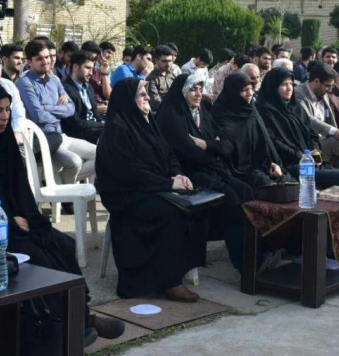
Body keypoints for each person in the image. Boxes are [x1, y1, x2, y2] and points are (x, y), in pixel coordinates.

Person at [0, 82, 125, 348]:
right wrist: (9, 221)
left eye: (7, 110)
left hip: (11, 222)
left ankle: (79, 317)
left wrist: (25, 217)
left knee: (61, 244)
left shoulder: (3, 141)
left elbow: (19, 189)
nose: (4, 117)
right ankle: (68, 323)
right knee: (39, 255)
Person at [95, 78, 207, 302]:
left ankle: (175, 271)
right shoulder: (117, 129)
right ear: (129, 100)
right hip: (128, 195)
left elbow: (169, 155)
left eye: (146, 93)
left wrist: (178, 174)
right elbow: (129, 172)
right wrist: (167, 184)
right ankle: (168, 282)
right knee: (171, 212)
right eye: (141, 94)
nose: (147, 97)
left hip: (152, 187)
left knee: (197, 207)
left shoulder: (147, 122)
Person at [156, 70, 251, 270]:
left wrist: (206, 144)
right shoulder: (172, 116)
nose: (199, 94)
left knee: (247, 191)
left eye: (200, 89)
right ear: (181, 92)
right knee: (233, 201)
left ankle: (256, 252)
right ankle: (246, 264)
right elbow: (190, 153)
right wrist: (216, 147)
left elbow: (229, 144)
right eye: (193, 90)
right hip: (189, 174)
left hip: (212, 169)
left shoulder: (201, 113)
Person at [256, 67, 339, 190]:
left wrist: (316, 151)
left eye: (291, 84)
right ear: (273, 86)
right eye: (284, 84)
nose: (289, 88)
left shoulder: (295, 107)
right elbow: (274, 143)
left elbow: (311, 133)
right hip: (292, 166)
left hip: (314, 161)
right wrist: (303, 156)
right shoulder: (265, 111)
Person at [17, 40, 98, 185]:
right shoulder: (25, 82)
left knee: (100, 154)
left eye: (47, 57)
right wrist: (58, 109)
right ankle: (65, 193)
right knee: (74, 162)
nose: (46, 61)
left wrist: (46, 107)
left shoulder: (54, 80)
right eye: (39, 58)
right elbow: (38, 116)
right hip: (44, 139)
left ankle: (62, 187)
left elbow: (70, 108)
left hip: (61, 134)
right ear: (29, 61)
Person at [211, 71, 290, 187]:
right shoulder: (220, 114)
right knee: (268, 185)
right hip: (240, 170)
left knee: (289, 181)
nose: (250, 94)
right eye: (244, 90)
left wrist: (271, 162)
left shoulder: (250, 110)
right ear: (233, 92)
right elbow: (229, 148)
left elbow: (264, 140)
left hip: (263, 165)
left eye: (251, 89)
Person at [61, 50, 105, 144]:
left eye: (92, 69)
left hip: (95, 129)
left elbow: (95, 113)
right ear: (76, 67)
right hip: (78, 133)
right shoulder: (65, 89)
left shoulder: (89, 87)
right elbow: (76, 123)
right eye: (88, 68)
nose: (91, 72)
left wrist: (102, 122)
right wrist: (102, 125)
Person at [146, 45, 177, 112]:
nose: (168, 64)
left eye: (170, 61)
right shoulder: (151, 78)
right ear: (156, 61)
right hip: (160, 113)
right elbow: (155, 101)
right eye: (164, 61)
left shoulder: (172, 75)